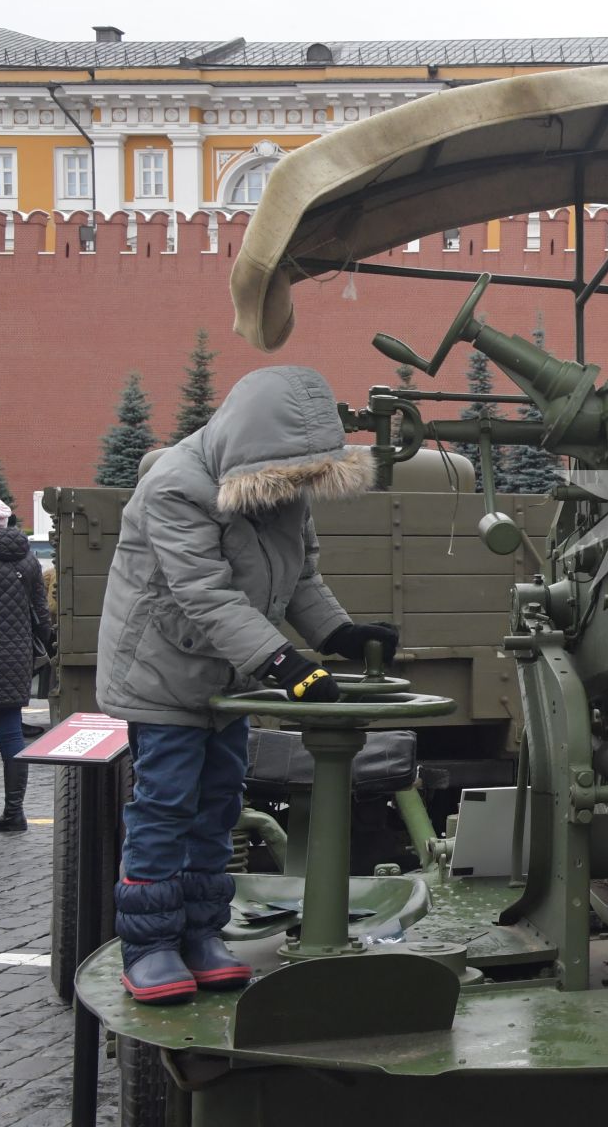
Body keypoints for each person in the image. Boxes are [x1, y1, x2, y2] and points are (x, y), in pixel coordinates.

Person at [97, 367, 398, 1004]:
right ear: (260, 448)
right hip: (165, 676)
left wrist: (337, 634)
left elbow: (303, 579)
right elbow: (204, 595)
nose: (297, 491)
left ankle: (202, 935)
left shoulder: (283, 485)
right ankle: (149, 947)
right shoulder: (176, 486)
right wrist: (284, 665)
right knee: (165, 808)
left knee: (219, 808)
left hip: (228, 680)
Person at [0, 498, 50, 834]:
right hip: (16, 658)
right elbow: (41, 615)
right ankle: (15, 813)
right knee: (12, 732)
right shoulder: (28, 559)